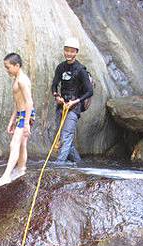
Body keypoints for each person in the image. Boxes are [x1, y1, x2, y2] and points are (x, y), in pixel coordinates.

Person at [0, 53, 35, 188]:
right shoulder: (16, 78)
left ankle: (6, 176)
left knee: (14, 144)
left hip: (25, 115)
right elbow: (18, 103)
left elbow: (29, 102)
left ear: (17, 65)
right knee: (22, 144)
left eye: (8, 67)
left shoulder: (22, 80)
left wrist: (26, 122)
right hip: (21, 114)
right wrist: (12, 120)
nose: (7, 70)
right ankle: (21, 169)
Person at [51, 37, 93, 165]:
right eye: (67, 51)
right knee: (62, 137)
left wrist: (75, 102)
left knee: (66, 136)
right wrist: (57, 96)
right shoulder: (60, 67)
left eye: (72, 51)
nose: (69, 54)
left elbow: (89, 91)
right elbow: (54, 85)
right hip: (62, 106)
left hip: (74, 107)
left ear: (76, 52)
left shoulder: (81, 70)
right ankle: (79, 163)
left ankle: (59, 164)